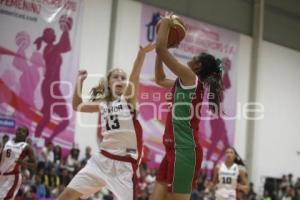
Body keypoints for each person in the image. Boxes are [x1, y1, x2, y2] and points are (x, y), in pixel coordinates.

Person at [57, 43, 155, 200]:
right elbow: (77, 105)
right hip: (101, 161)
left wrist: (141, 54)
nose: (120, 80)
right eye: (116, 76)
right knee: (66, 196)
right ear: (109, 82)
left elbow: (135, 77)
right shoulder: (102, 104)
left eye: (123, 78)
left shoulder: (128, 100)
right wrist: (80, 81)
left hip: (123, 166)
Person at [152, 14, 224, 200]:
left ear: (197, 65)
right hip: (173, 149)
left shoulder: (190, 78)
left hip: (185, 151)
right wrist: (160, 52)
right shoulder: (185, 81)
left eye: (193, 57)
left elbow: (160, 47)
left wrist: (166, 23)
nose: (189, 59)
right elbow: (160, 79)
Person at [0, 126, 36, 200]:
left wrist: (23, 163)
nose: (20, 132)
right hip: (1, 175)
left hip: (12, 177)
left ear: (26, 135)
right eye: (19, 130)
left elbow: (35, 164)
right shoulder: (8, 142)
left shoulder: (26, 146)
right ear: (15, 132)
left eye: (23, 131)